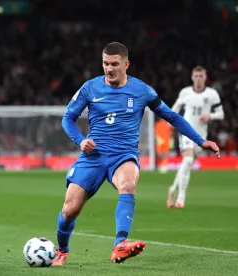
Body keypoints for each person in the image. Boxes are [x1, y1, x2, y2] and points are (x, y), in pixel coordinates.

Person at [52, 42, 220, 266]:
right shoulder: (90, 88)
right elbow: (68, 118)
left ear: (126, 64)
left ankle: (120, 243)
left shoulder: (142, 90)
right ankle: (62, 249)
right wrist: (81, 141)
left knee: (128, 185)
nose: (109, 69)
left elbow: (172, 116)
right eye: (105, 63)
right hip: (93, 156)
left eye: (114, 64)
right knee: (70, 209)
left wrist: (201, 140)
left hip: (123, 154)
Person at [167, 66, 224, 208]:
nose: (198, 78)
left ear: (205, 77)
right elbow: (174, 110)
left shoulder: (212, 94)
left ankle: (173, 189)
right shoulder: (185, 93)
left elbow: (221, 114)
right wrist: (171, 122)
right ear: (192, 77)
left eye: (201, 76)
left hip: (201, 136)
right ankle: (181, 198)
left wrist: (210, 116)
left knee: (186, 165)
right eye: (196, 76)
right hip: (186, 132)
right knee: (187, 160)